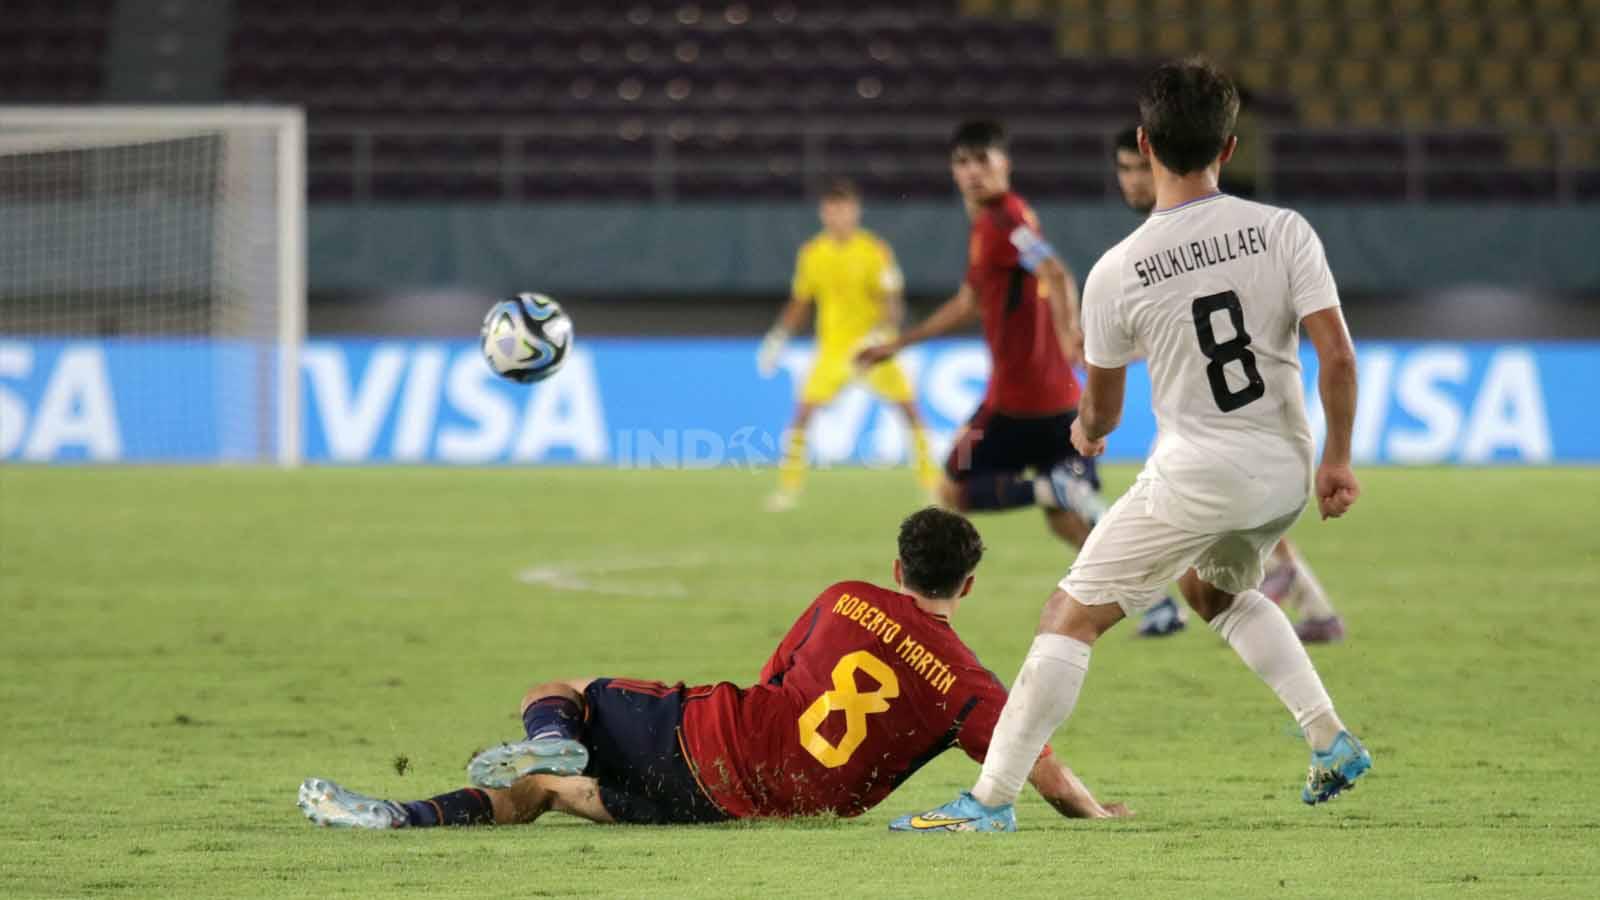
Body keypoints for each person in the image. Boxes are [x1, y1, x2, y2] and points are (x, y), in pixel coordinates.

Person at [893, 58, 1371, 833]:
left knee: (1067, 615)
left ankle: (987, 802)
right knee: (1210, 591)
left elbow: (1103, 412)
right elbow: (1339, 356)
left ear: (1145, 144)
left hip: (1199, 471)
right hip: (1284, 470)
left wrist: (1083, 432)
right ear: (1229, 145)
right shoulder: (1286, 230)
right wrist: (1338, 460)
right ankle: (1330, 737)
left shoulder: (1120, 269)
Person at [298, 507, 1129, 829]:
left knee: (559, 692)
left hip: (716, 739)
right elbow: (1037, 763)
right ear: (970, 585)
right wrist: (1097, 813)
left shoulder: (846, 599)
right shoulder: (970, 688)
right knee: (549, 793)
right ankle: (404, 816)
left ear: (897, 568)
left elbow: (772, 681)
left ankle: (546, 741)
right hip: (738, 810)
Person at [856, 120, 1186, 638]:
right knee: (1067, 519)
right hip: (1053, 400)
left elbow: (1054, 273)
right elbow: (970, 300)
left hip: (1019, 401)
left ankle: (1046, 487)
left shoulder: (1004, 219)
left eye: (983, 161)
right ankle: (1160, 604)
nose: (972, 172)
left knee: (954, 486)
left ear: (1004, 164)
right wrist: (897, 344)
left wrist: (1070, 330)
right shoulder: (996, 223)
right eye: (963, 162)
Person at [1112, 125, 1347, 643]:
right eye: (1123, 169)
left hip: (1219, 416)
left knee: (1187, 519)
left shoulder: (1189, 241)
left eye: (1139, 167)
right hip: (1232, 420)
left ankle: (1144, 605)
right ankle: (1314, 606)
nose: (1133, 181)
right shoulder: (1173, 241)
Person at [757, 178, 938, 512]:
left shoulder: (875, 251)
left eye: (844, 209)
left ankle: (932, 487)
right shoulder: (812, 253)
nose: (838, 216)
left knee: (910, 412)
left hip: (872, 348)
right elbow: (801, 301)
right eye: (831, 210)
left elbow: (892, 301)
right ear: (824, 213)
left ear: (855, 212)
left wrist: (882, 333)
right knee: (802, 416)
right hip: (833, 350)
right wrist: (777, 338)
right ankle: (788, 489)